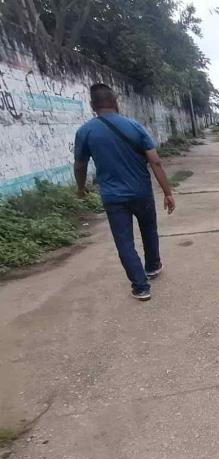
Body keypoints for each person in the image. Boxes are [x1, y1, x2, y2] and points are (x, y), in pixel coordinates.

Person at [74, 83, 176, 301]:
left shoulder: (85, 131)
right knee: (149, 229)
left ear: (93, 105)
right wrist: (167, 192)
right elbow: (155, 162)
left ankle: (141, 287)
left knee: (124, 242)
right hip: (142, 192)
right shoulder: (135, 126)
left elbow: (80, 165)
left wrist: (81, 188)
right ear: (115, 102)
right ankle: (153, 266)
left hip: (113, 197)